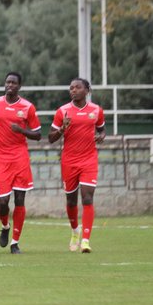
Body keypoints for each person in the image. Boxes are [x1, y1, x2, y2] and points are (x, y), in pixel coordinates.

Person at [0, 71, 42, 254]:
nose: (10, 85)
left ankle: (15, 242)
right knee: (2, 202)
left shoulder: (27, 107)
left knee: (19, 199)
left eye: (13, 83)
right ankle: (5, 225)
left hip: (20, 157)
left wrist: (22, 130)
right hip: (1, 157)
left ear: (19, 86)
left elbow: (38, 134)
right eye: (7, 82)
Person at [48, 77, 106, 253]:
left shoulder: (96, 110)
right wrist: (61, 129)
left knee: (87, 197)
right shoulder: (62, 111)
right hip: (69, 160)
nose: (73, 90)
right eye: (71, 87)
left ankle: (86, 241)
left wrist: (101, 136)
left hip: (89, 159)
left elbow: (101, 129)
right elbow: (50, 138)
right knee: (71, 200)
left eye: (77, 87)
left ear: (87, 90)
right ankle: (75, 232)